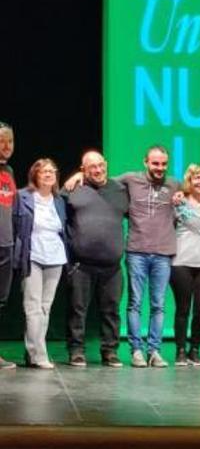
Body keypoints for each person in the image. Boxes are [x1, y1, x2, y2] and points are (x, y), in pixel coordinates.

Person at [66, 145, 181, 367]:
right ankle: (91, 351)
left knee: (134, 308)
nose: (160, 167)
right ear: (145, 162)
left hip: (138, 258)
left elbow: (192, 190)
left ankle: (131, 351)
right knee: (91, 308)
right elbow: (94, 184)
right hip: (110, 257)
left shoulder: (168, 185)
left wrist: (182, 194)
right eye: (155, 163)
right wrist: (79, 174)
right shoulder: (116, 182)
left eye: (163, 164)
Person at [63, 150, 129, 367]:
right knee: (77, 309)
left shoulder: (119, 189)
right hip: (81, 264)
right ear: (83, 170)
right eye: (92, 167)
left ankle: (110, 351)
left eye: (101, 165)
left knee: (111, 310)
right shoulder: (73, 188)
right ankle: (76, 350)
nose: (98, 170)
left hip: (112, 266)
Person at [13, 159, 68, 369]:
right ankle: (39, 354)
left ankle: (32, 352)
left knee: (45, 307)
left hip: (55, 256)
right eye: (44, 171)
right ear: (35, 175)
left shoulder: (59, 200)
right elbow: (16, 225)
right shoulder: (23, 196)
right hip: (32, 255)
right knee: (32, 307)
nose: (49, 174)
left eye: (52, 171)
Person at [170, 164, 200, 366]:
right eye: (197, 177)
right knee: (183, 308)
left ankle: (195, 349)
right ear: (190, 180)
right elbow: (192, 226)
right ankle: (180, 350)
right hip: (182, 262)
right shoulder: (179, 201)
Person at [0, 122, 17, 369]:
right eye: (1, 141)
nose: (6, 147)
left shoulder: (9, 171)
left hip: (6, 244)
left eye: (10, 141)